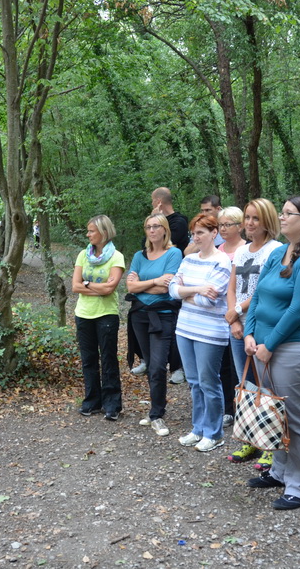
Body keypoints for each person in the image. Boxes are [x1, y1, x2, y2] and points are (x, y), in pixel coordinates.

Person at [243, 196, 300, 510]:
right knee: (274, 415)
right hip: (263, 347)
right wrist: (251, 333)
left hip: (298, 348)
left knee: (297, 418)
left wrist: (270, 344)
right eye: (281, 212)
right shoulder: (279, 252)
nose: (281, 217)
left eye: (287, 213)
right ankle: (279, 471)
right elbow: (256, 297)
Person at [223, 198, 282, 466]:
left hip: (260, 323)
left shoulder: (276, 250)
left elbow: (263, 289)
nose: (249, 223)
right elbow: (232, 286)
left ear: (268, 221)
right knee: (245, 384)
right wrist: (233, 319)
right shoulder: (243, 251)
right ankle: (249, 440)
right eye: (247, 217)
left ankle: (270, 444)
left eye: (255, 218)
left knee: (266, 385)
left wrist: (237, 311)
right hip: (239, 324)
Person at [169, 214, 231, 452]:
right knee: (194, 382)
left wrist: (187, 293)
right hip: (185, 328)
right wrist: (197, 289)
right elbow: (173, 290)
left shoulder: (223, 261)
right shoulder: (189, 259)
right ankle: (198, 428)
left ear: (214, 233)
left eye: (201, 233)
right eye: (194, 233)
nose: (195, 237)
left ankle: (214, 433)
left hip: (210, 331)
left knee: (208, 381)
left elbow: (209, 301)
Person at [126, 214, 183, 437]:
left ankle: (157, 415)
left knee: (159, 365)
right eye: (148, 226)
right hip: (139, 315)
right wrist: (153, 282)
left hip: (163, 315)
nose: (151, 230)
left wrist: (141, 285)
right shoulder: (139, 256)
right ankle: (154, 410)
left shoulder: (174, 253)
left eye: (156, 226)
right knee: (150, 364)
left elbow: (166, 288)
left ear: (165, 229)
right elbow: (130, 287)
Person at [72, 215, 126, 421]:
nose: (88, 234)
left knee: (109, 359)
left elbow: (111, 288)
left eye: (91, 231)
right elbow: (75, 285)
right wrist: (94, 287)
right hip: (83, 314)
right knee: (88, 360)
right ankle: (92, 401)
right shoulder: (82, 255)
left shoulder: (117, 257)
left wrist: (86, 285)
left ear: (103, 232)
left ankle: (112, 405)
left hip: (106, 314)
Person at [151, 187, 188, 384]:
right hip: (154, 276)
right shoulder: (153, 226)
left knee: (174, 324)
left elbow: (166, 243)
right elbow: (147, 244)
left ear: (158, 201)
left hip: (174, 277)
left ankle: (178, 367)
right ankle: (151, 361)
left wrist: (156, 219)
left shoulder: (179, 222)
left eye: (152, 201)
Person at [216, 206, 246, 426]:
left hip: (239, 314)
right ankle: (228, 408)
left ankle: (244, 410)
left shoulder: (246, 249)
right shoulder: (217, 250)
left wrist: (235, 314)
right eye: (220, 225)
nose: (222, 229)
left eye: (227, 224)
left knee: (241, 366)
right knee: (223, 365)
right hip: (215, 314)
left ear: (240, 226)